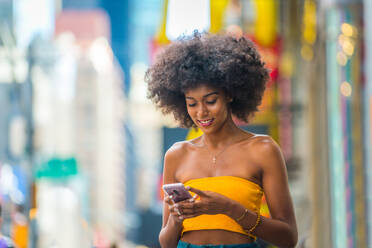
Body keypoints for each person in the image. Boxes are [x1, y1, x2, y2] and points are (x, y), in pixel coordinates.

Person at [146, 32, 298, 248]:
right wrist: (176, 219)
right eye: (192, 103)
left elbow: (288, 238)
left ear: (229, 94)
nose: (201, 112)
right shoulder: (176, 155)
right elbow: (167, 242)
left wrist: (230, 209)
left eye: (211, 100)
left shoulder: (263, 150)